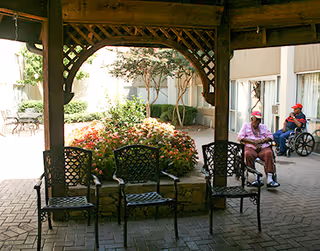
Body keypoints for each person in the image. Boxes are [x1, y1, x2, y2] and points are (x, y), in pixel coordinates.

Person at [238, 111, 280, 188]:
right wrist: (253, 142)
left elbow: (271, 137)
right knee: (247, 154)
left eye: (259, 120)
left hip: (263, 147)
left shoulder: (263, 127)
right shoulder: (246, 126)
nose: (258, 121)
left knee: (269, 153)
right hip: (250, 147)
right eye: (256, 119)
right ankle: (256, 176)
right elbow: (240, 137)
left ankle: (270, 179)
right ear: (251, 118)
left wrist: (261, 141)